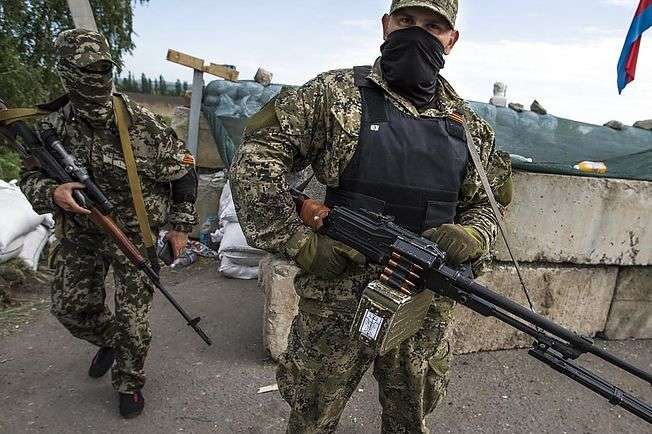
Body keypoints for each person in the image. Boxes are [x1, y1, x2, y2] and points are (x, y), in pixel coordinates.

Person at [230, 0, 513, 432]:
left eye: (433, 27)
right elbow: (255, 161)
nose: (417, 34)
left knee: (410, 417)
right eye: (406, 21)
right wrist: (299, 242)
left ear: (451, 40)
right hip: (338, 297)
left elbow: (489, 203)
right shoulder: (334, 95)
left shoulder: (469, 127)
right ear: (386, 25)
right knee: (312, 413)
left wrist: (473, 234)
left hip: (421, 300)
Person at [19, 29, 198, 419]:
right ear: (67, 72)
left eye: (103, 69)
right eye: (87, 71)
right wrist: (53, 192)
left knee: (134, 321)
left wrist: (181, 226)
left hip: (133, 234)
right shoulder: (51, 126)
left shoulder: (141, 124)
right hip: (80, 233)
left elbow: (184, 172)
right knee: (70, 308)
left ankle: (129, 383)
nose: (97, 78)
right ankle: (112, 341)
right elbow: (29, 175)